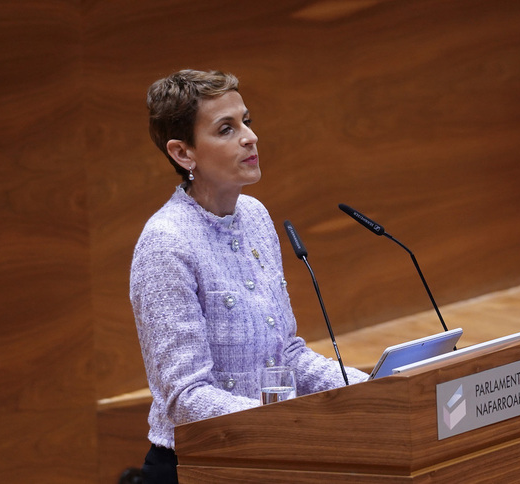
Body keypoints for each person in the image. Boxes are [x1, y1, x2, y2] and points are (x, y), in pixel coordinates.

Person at [130, 69, 368, 484]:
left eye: (246, 121)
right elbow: (186, 398)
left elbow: (287, 354)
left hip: (267, 455)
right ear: (183, 154)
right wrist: (288, 423)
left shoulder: (255, 217)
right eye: (226, 129)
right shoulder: (166, 244)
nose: (249, 137)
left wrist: (374, 386)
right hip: (197, 468)